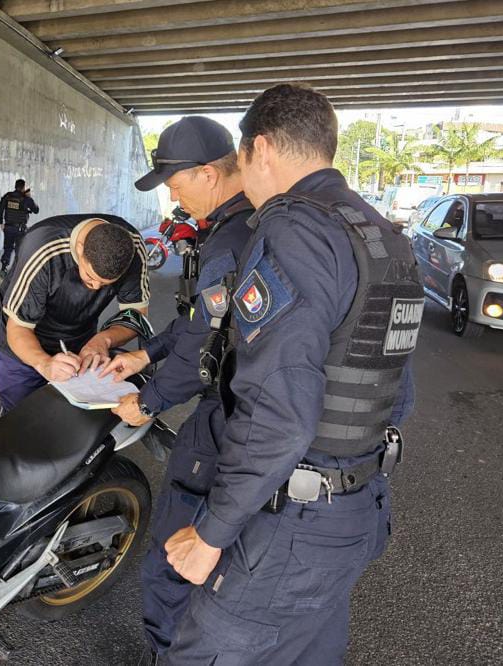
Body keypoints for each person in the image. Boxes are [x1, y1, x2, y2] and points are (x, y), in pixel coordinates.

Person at [161, 84, 421, 664]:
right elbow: (395, 391)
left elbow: (279, 410)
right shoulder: (384, 237)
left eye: (244, 162)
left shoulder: (294, 231)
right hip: (357, 505)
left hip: (292, 523)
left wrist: (212, 533)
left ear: (262, 148)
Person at [99, 116, 255, 662]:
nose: (173, 195)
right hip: (254, 418)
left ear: (208, 173)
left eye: (176, 183)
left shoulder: (230, 241)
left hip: (227, 419)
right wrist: (145, 353)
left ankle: (169, 654)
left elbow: (203, 350)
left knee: (171, 560)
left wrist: (146, 401)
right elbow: (195, 323)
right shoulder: (248, 225)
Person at [0, 214, 149, 413]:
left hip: (79, 344)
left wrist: (103, 341)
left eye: (106, 285)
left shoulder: (133, 249)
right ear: (80, 249)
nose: (95, 288)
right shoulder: (42, 249)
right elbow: (18, 327)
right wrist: (44, 363)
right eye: (90, 277)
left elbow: (135, 314)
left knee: (71, 418)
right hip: (22, 346)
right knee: (19, 420)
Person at [0, 179, 39, 276]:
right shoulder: (26, 199)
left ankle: (4, 268)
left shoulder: (7, 196)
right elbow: (36, 210)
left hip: (8, 228)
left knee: (8, 248)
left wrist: (1, 223)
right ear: (23, 188)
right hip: (20, 229)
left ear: (15, 186)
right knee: (20, 250)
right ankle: (17, 272)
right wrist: (29, 197)